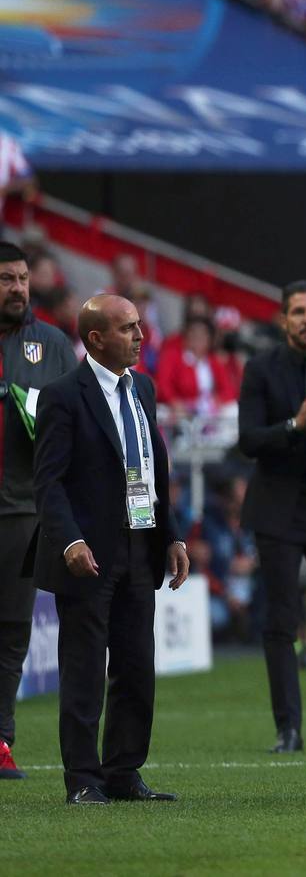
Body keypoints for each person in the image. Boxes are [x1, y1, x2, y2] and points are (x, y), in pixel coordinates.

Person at [31, 294, 190, 805]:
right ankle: (83, 779)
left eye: (140, 326)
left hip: (140, 546)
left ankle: (123, 772)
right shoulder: (62, 395)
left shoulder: (142, 387)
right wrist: (69, 539)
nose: (141, 336)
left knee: (137, 666)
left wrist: (172, 536)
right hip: (88, 554)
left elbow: (153, 465)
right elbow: (49, 481)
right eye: (128, 328)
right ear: (95, 339)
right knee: (82, 670)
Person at [237, 280, 306, 754]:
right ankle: (288, 729)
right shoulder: (261, 369)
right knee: (281, 621)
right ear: (283, 319)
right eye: (298, 312)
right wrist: (295, 425)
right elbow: (248, 440)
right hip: (277, 507)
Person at [0, 241, 77, 779]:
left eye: (23, 278)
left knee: (10, 632)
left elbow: (71, 424)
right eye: (6, 279)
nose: (18, 288)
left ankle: (0, 743)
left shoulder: (50, 344)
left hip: (20, 508)